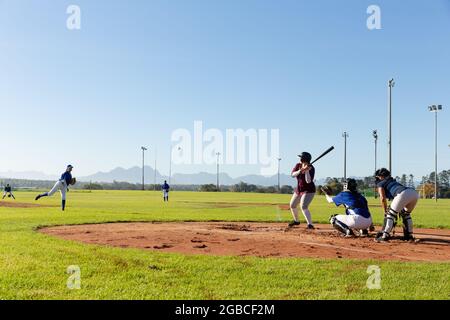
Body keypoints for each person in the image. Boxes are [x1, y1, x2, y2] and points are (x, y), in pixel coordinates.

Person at [374, 168, 419, 242]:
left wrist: (385, 211)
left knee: (390, 215)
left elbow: (382, 198)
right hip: (413, 193)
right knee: (406, 214)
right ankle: (409, 236)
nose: (378, 178)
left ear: (381, 176)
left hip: (402, 194)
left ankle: (385, 236)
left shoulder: (381, 183)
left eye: (378, 177)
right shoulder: (392, 181)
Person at [288, 152, 316, 229]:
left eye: (300, 157)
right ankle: (296, 221)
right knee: (292, 205)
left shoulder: (311, 168)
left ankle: (310, 224)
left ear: (304, 159)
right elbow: (292, 175)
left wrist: (307, 171)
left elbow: (308, 181)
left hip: (309, 190)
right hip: (299, 189)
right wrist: (300, 170)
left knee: (303, 206)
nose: (299, 158)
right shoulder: (298, 165)